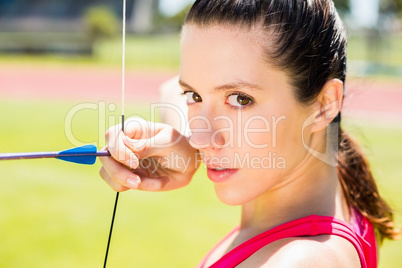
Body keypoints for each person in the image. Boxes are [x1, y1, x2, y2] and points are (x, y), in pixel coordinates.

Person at [99, 0, 400, 267]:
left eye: (240, 99)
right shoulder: (332, 175)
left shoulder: (302, 261)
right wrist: (184, 149)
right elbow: (170, 89)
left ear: (324, 105)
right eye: (194, 96)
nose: (201, 138)